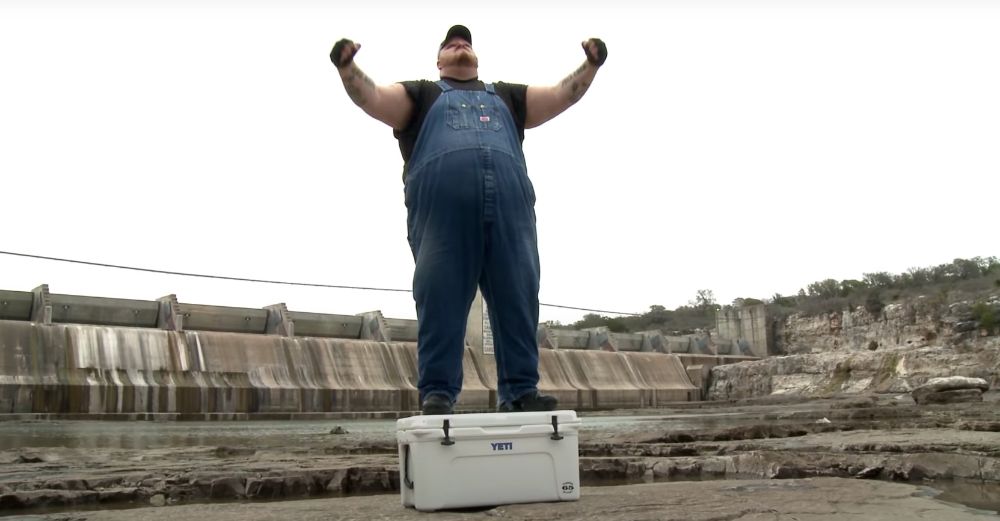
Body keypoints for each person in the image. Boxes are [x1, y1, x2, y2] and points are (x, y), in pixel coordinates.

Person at [330, 25, 607, 415]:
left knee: (519, 299)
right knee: (439, 300)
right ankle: (438, 392)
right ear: (439, 61)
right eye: (450, 43)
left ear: (477, 59)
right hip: (442, 219)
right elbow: (372, 97)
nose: (460, 43)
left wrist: (591, 65)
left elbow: (563, 94)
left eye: (466, 42)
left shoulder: (510, 97)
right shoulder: (421, 95)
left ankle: (521, 392)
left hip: (512, 215)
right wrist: (347, 68)